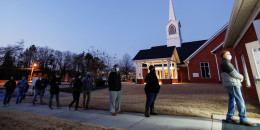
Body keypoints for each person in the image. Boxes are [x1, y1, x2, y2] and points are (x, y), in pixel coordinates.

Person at [220, 51, 256, 126]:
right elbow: (234, 73)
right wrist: (242, 76)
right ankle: (243, 119)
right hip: (233, 84)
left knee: (232, 100)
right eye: (229, 54)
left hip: (229, 84)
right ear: (225, 56)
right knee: (240, 100)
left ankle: (230, 117)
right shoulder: (226, 63)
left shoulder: (224, 63)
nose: (230, 55)